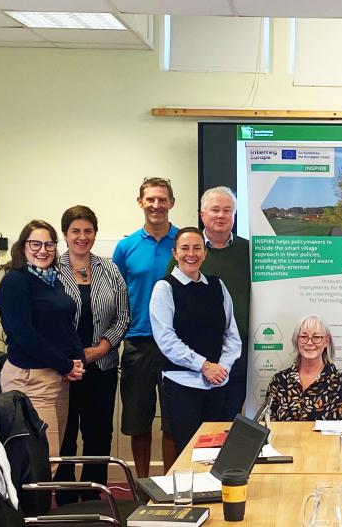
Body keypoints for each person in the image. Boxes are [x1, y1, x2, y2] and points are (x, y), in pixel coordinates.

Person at [52, 206, 130, 504]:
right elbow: (45, 318)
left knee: (98, 434)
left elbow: (123, 315)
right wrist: (70, 357)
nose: (82, 237)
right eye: (76, 231)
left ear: (95, 234)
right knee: (65, 435)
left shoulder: (109, 269)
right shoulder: (51, 270)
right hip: (63, 369)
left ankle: (94, 495)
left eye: (88, 231)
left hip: (102, 366)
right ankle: (67, 498)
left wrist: (100, 349)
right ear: (65, 235)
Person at [0, 220, 85, 463]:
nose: (43, 250)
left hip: (58, 377)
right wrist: (66, 364)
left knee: (50, 459)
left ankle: (41, 503)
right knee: (42, 460)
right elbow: (25, 336)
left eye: (49, 244)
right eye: (35, 244)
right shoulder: (15, 281)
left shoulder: (51, 280)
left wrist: (77, 360)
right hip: (30, 379)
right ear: (23, 247)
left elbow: (67, 323)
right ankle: (27, 504)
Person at [150, 227, 242, 454]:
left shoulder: (217, 286)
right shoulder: (164, 288)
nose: (191, 254)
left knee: (217, 453)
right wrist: (204, 366)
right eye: (184, 248)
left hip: (216, 382)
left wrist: (222, 368)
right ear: (175, 253)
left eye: (197, 248)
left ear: (204, 253)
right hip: (182, 383)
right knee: (189, 452)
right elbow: (166, 340)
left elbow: (232, 334)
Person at [112, 177, 178, 477]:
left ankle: (169, 486)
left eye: (162, 199)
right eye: (150, 199)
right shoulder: (125, 248)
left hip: (177, 346)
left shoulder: (184, 242)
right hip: (138, 342)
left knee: (173, 421)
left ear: (171, 203)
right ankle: (142, 485)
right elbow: (116, 294)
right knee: (138, 421)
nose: (156, 205)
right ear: (140, 202)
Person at [167, 186, 250, 420]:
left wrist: (224, 363)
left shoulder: (249, 251)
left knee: (225, 425)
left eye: (227, 210)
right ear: (202, 215)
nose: (221, 215)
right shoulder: (187, 254)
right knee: (188, 434)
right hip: (190, 363)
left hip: (234, 358)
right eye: (215, 210)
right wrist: (203, 364)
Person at [266, 315, 342, 421]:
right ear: (296, 341)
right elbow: (267, 424)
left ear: (326, 341)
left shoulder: (338, 382)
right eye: (304, 337)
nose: (309, 343)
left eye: (316, 337)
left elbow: (339, 429)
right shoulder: (279, 381)